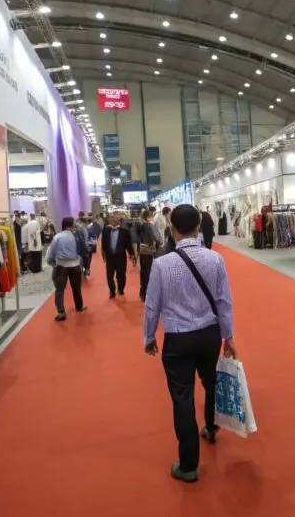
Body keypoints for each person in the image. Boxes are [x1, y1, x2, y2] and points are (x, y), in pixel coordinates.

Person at [144, 204, 237, 484]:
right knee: (211, 383)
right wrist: (228, 336)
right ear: (199, 226)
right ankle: (210, 428)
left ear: (172, 230)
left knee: (182, 397)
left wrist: (149, 337)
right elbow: (224, 301)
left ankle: (188, 465)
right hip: (209, 335)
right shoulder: (215, 259)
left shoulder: (161, 264)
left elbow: (152, 306)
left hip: (178, 339)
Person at [45, 217, 88, 322]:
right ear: (71, 225)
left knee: (60, 290)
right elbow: (83, 248)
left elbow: (51, 251)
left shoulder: (57, 237)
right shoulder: (76, 235)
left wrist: (51, 262)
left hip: (61, 265)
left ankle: (61, 312)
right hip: (75, 265)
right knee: (76, 288)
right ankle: (79, 306)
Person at [101, 214, 132, 298]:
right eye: (111, 217)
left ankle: (120, 289)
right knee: (109, 275)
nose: (113, 219)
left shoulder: (125, 231)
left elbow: (128, 244)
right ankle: (112, 290)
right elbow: (103, 243)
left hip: (121, 257)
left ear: (119, 220)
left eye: (115, 218)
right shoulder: (106, 230)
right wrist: (103, 254)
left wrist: (132, 254)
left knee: (121, 275)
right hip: (110, 257)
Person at [137, 208, 162, 301]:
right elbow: (156, 237)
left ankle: (142, 291)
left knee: (143, 271)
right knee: (149, 271)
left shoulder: (139, 225)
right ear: (148, 217)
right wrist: (160, 241)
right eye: (151, 216)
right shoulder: (150, 225)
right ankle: (148, 292)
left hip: (142, 250)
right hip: (150, 250)